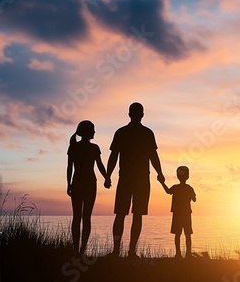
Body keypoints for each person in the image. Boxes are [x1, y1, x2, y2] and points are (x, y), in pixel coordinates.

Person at [105, 102, 165, 258]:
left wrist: (107, 175)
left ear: (130, 114)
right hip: (135, 180)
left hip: (133, 179)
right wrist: (107, 175)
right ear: (141, 114)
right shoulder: (144, 133)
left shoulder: (127, 133)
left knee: (125, 214)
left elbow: (153, 156)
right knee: (128, 214)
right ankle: (126, 252)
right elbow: (114, 156)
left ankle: (124, 251)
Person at [66, 120, 107, 256]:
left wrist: (69, 184)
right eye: (93, 130)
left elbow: (69, 168)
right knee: (86, 217)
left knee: (77, 216)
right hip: (89, 184)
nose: (94, 132)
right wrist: (107, 177)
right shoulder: (94, 148)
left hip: (77, 183)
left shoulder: (73, 147)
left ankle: (77, 250)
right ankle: (81, 250)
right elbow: (100, 165)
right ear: (88, 131)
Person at [160, 166, 196, 259]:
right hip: (186, 214)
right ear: (187, 176)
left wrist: (162, 183)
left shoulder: (175, 188)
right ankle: (188, 254)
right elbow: (194, 199)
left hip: (177, 214)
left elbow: (168, 191)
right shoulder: (189, 188)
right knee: (187, 234)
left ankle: (178, 254)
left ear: (177, 176)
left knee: (177, 234)